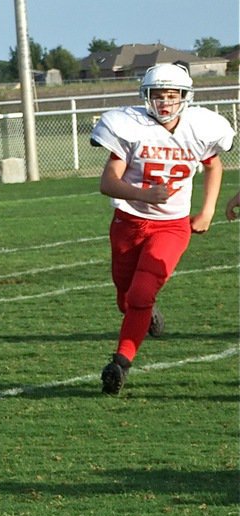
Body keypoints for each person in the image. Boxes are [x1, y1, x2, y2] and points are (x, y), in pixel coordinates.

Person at [89, 62, 235, 395]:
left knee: (141, 293)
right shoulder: (130, 125)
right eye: (158, 95)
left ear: (185, 97)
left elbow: (214, 166)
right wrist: (143, 194)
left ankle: (120, 363)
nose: (165, 103)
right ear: (146, 96)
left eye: (171, 95)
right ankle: (145, 313)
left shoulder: (200, 127)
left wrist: (208, 210)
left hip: (171, 225)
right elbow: (107, 182)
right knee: (126, 299)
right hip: (128, 221)